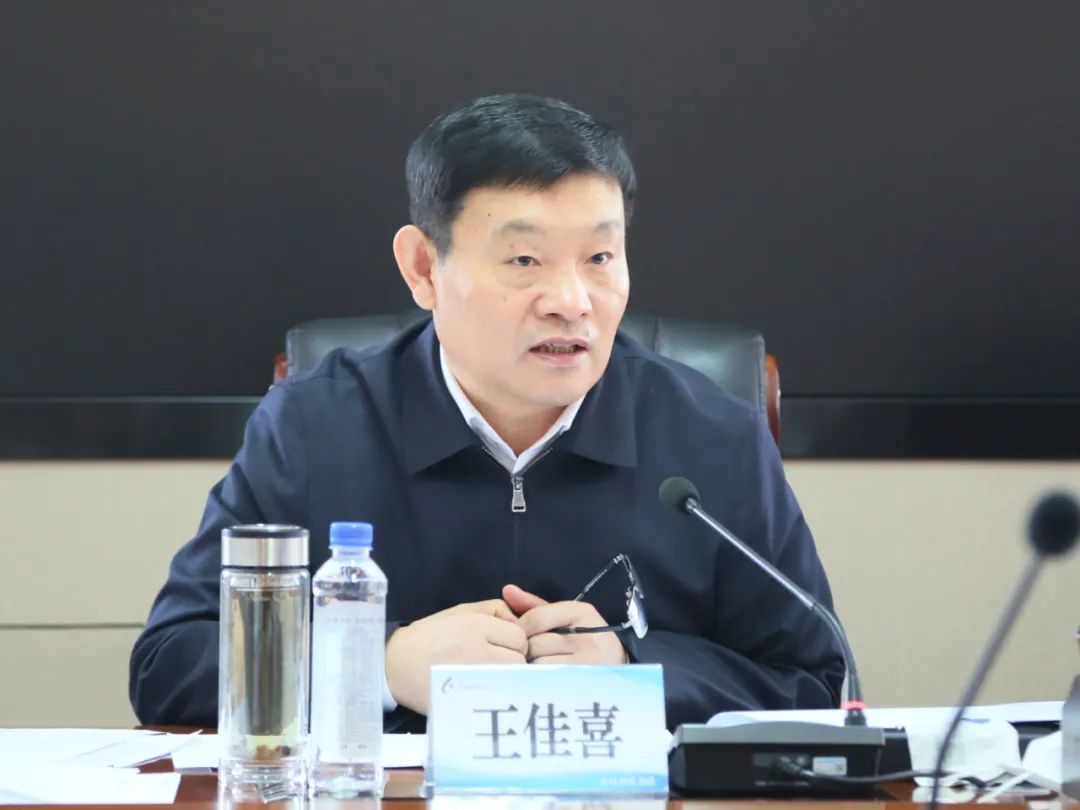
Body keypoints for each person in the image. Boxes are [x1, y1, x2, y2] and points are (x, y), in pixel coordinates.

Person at [130, 93, 844, 732]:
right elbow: (170, 663)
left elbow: (812, 678)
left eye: (600, 257)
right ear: (423, 268)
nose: (572, 300)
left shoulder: (714, 436)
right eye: (525, 261)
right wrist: (379, 665)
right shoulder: (315, 428)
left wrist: (635, 670)